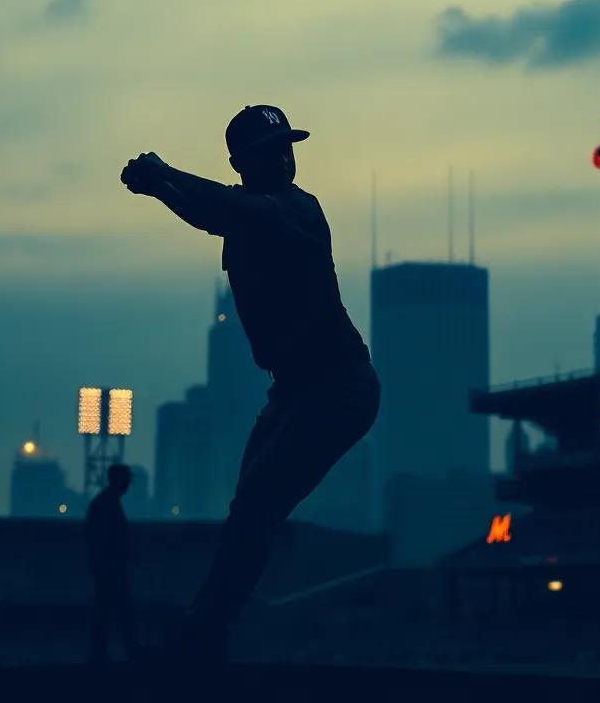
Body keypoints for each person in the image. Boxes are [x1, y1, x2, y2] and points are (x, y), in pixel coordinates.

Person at [120, 105, 381, 665]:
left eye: (287, 149)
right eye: (269, 152)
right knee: (249, 510)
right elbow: (212, 214)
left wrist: (163, 174)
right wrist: (161, 189)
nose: (285, 160)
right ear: (241, 162)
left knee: (257, 506)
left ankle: (204, 635)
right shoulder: (247, 215)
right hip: (296, 391)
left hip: (340, 388)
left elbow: (226, 208)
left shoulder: (298, 209)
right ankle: (207, 632)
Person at [85, 463, 140, 665]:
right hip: (111, 568)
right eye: (127, 480)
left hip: (106, 566)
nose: (129, 484)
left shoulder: (103, 502)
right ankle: (128, 651)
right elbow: (110, 538)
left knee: (106, 610)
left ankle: (101, 652)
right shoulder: (109, 504)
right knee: (119, 610)